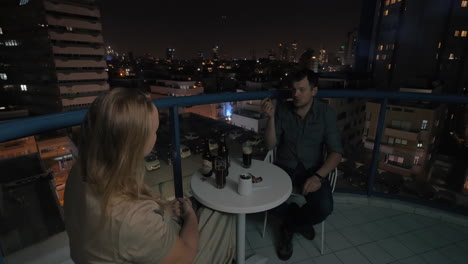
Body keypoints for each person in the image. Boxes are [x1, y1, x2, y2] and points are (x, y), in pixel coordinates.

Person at [64, 88, 236, 264]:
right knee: (221, 214)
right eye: (154, 130)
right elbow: (186, 256)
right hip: (181, 257)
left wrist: (164, 209)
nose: (157, 136)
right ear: (136, 143)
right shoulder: (133, 217)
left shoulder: (80, 170)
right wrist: (190, 215)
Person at [262, 68, 343, 260]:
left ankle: (289, 227)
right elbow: (270, 144)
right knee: (264, 198)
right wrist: (271, 118)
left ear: (314, 91)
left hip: (312, 169)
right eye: (293, 90)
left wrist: (318, 176)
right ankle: (297, 222)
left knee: (324, 207)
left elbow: (336, 152)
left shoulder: (325, 113)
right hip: (283, 166)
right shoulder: (282, 110)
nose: (295, 95)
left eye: (301, 90)